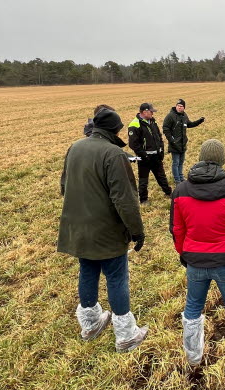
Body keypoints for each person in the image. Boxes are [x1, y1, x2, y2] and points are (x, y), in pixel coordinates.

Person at [58, 108, 148, 353]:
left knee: (87, 271)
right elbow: (125, 200)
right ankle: (126, 335)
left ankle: (90, 324)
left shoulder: (75, 147)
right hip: (106, 231)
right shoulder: (114, 154)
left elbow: (64, 186)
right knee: (117, 278)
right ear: (115, 129)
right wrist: (136, 231)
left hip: (78, 228)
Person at [169, 139, 225, 371]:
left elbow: (177, 228)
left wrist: (183, 252)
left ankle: (193, 355)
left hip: (195, 261)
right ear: (222, 160)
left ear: (200, 158)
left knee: (192, 307)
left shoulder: (180, 190)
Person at [128, 103, 172, 204]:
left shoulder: (152, 121)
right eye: (151, 111)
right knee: (143, 180)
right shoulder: (134, 124)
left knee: (161, 176)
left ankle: (168, 193)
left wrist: (161, 151)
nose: (153, 113)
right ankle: (143, 199)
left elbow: (159, 137)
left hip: (156, 156)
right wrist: (144, 155)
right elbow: (133, 144)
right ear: (144, 112)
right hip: (144, 158)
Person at [162, 99, 205, 184]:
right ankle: (177, 180)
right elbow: (165, 129)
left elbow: (189, 124)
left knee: (181, 162)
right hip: (174, 144)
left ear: (184, 108)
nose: (179, 107)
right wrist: (172, 140)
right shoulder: (170, 116)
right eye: (178, 106)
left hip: (182, 144)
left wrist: (199, 121)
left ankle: (181, 177)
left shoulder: (184, 115)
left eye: (181, 106)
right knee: (176, 163)